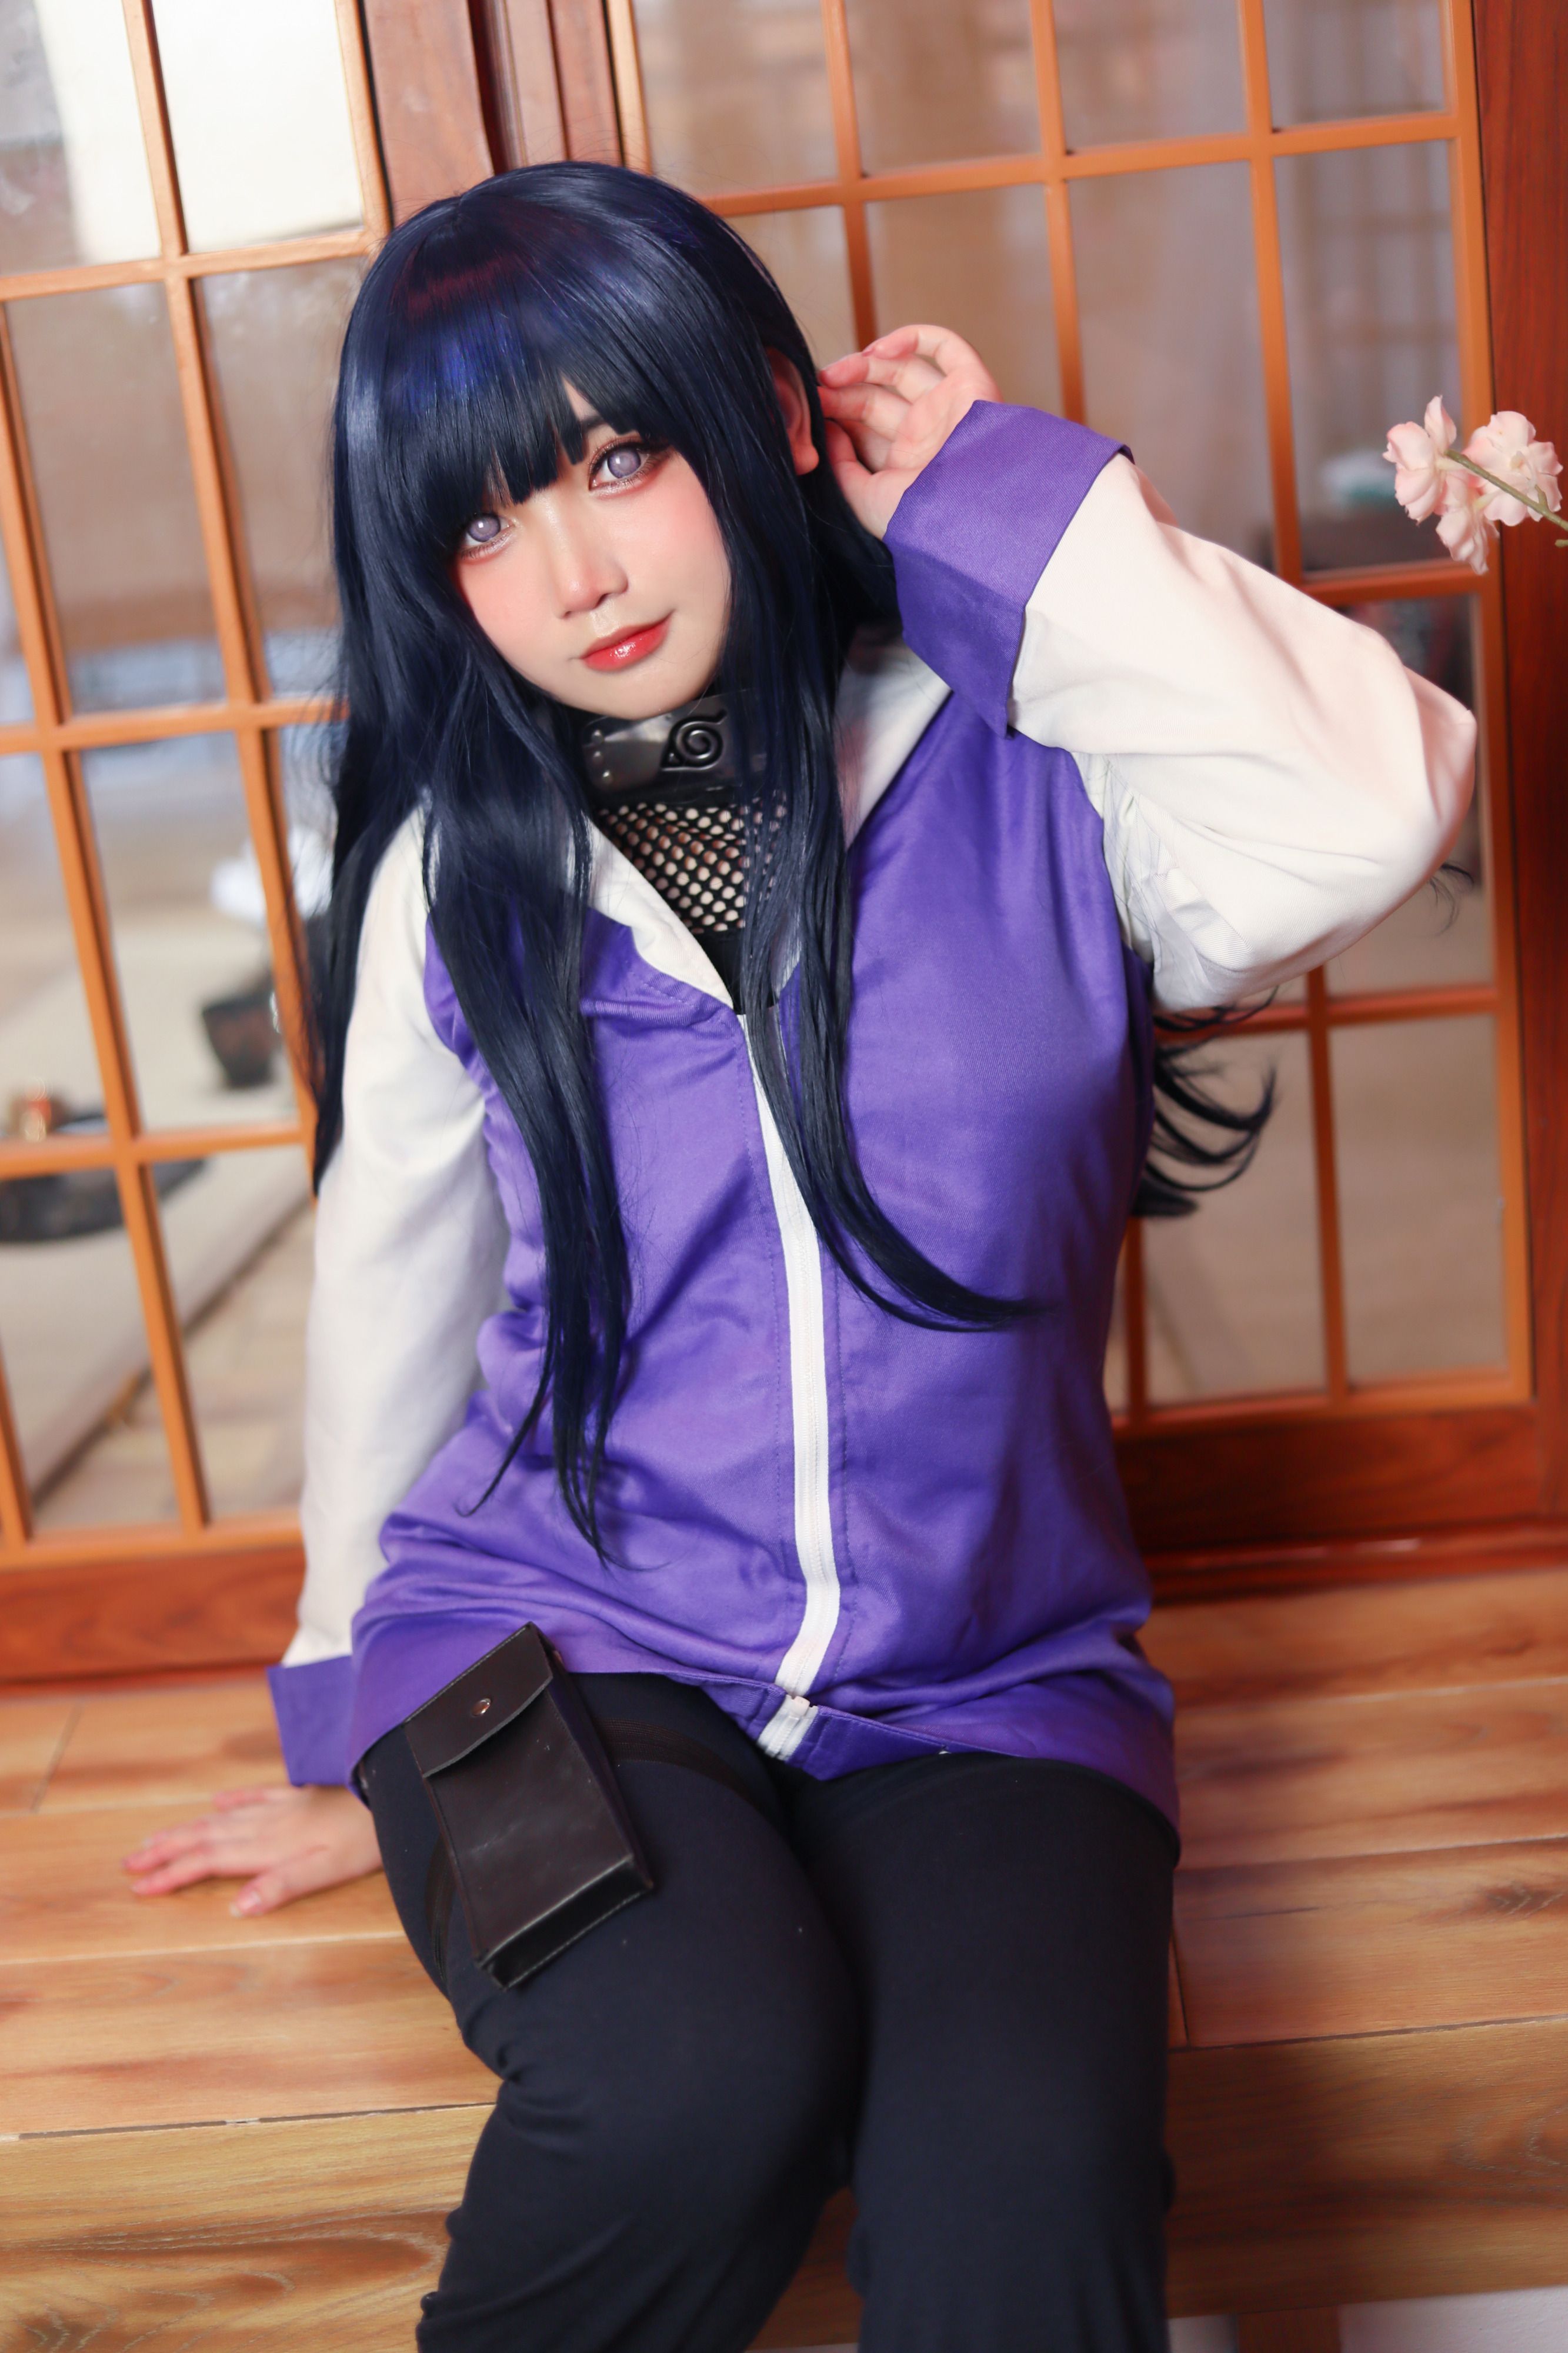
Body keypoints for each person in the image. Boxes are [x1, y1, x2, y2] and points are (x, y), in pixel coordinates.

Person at [124, 162, 1474, 2352]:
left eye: (615, 462)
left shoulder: (1042, 774)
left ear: (767, 411)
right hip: (541, 1650)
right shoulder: (461, 875)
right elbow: (391, 1291)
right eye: (483, 525)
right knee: (692, 2079)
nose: (572, 574)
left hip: (995, 1683)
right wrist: (349, 1720)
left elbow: (1373, 798)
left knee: (1020, 2195)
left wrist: (1001, 503)